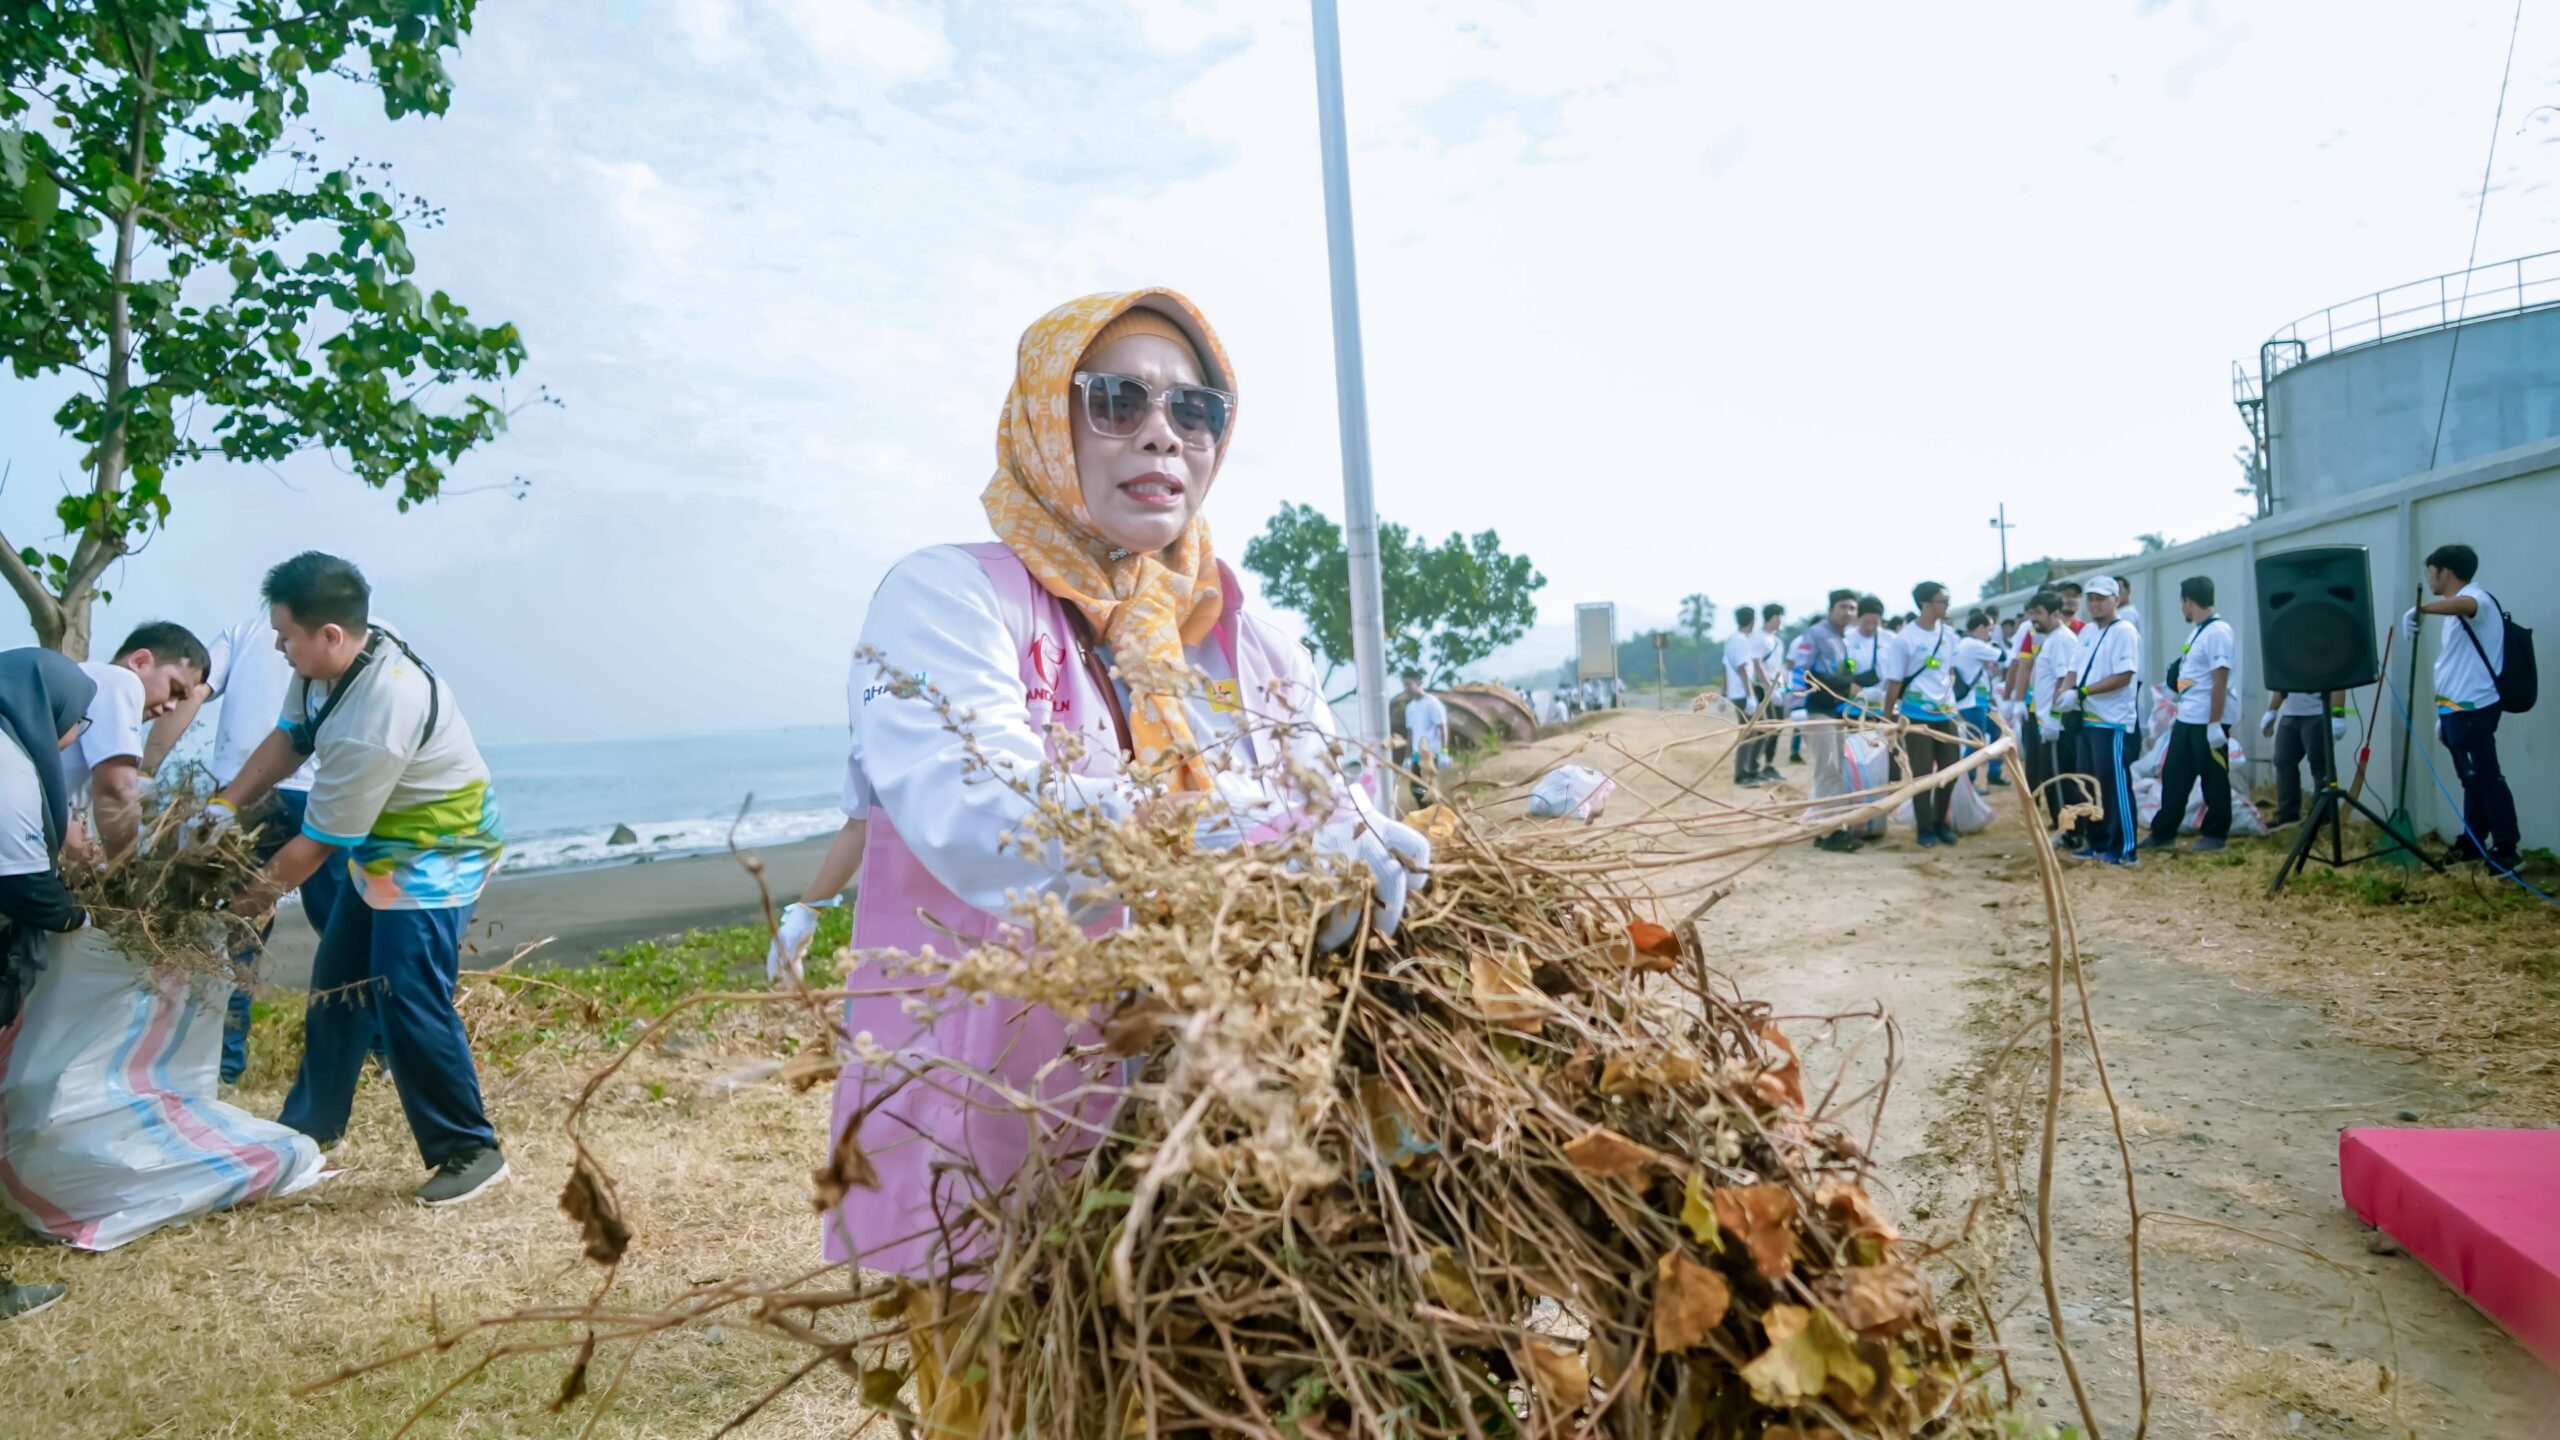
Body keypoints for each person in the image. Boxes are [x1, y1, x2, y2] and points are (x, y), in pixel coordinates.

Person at [825, 291, 1430, 1425]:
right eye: (1116, 401)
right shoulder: (946, 598)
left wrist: (1362, 858)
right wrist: (1274, 833)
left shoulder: (1245, 627)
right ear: (1046, 423)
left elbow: (1330, 799)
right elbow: (982, 815)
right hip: (1000, 1129)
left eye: (1194, 408)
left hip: (1227, 1137)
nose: (1163, 433)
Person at [210, 553, 509, 1206]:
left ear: (331, 635)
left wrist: (243, 905)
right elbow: (292, 738)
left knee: (405, 992)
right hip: (385, 836)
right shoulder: (325, 670)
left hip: (439, 847)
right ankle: (311, 1128)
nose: (280, 649)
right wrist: (223, 804)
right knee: (340, 978)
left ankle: (471, 1151)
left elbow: (315, 845)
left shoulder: (381, 708)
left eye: (286, 638)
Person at [149, 602, 353, 1083]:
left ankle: (222, 1065)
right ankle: (378, 1051)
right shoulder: (341, 633)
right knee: (344, 925)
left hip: (239, 793)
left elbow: (195, 692)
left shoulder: (244, 630)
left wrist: (146, 769)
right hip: (310, 793)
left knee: (233, 932)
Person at [0, 649, 98, 1321]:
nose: (80, 732)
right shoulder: (7, 764)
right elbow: (30, 889)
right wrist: (88, 922)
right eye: (78, 718)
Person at [2404, 543, 2519, 868]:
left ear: (2445, 572)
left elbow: (2466, 604)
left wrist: (2420, 609)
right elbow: (2455, 668)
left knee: (2486, 778)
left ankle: (2507, 850)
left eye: (2430, 573)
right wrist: (2443, 713)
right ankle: (2473, 842)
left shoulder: (2477, 599)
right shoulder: (2455, 613)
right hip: (2456, 709)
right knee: (2471, 779)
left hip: (2474, 709)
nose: (2429, 580)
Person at [62, 622, 207, 861]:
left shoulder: (87, 681)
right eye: (174, 689)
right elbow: (117, 790)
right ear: (139, 662)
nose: (171, 706)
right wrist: (122, 871)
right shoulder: (120, 680)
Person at [2143, 576, 2239, 854]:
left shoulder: (2218, 632)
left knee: (2214, 778)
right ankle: (2164, 833)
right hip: (2187, 717)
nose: (2181, 609)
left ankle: (2216, 834)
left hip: (2207, 719)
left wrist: (2214, 724)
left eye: (2182, 603)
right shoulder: (2199, 631)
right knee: (2175, 776)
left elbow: (2219, 681)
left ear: (2188, 601)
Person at [2062, 576, 2141, 865]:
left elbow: (2124, 676)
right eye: (2090, 599)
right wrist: (2064, 695)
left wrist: (2082, 692)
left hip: (2112, 721)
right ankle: (2097, 842)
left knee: (2114, 785)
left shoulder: (2124, 632)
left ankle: (2125, 848)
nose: (2094, 604)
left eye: (2100, 598)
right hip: (2087, 720)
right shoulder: (2087, 633)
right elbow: (2073, 669)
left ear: (2115, 600)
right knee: (2089, 784)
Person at [1884, 581, 1963, 847]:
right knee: (1922, 775)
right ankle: (1925, 828)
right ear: (1926, 604)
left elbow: (1949, 672)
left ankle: (1942, 823)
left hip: (1947, 714)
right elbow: (1894, 682)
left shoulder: (1949, 635)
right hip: (1916, 715)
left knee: (1950, 771)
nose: (1948, 605)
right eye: (1944, 600)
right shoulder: (1905, 639)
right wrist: (1888, 718)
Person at [1798, 590, 1861, 853]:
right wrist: (1798, 706)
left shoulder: (1841, 638)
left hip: (1836, 712)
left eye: (1852, 608)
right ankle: (1827, 832)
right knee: (1828, 769)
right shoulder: (1816, 635)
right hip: (1819, 712)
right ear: (1831, 609)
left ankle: (1832, 827)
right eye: (1843, 607)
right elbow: (1801, 672)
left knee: (1837, 769)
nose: (1848, 612)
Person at [2021, 592, 2085, 845]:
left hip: (2057, 722)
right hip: (2048, 719)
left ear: (2055, 613)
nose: (2033, 619)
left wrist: (2055, 718)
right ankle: (2068, 829)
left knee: (2060, 781)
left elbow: (2064, 679)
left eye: (2038, 613)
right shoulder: (2051, 639)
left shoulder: (2061, 640)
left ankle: (2071, 833)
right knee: (2053, 778)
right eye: (2031, 613)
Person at [2260, 687, 2347, 828]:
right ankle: (2287, 814)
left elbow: (2338, 683)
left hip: (2317, 713)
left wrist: (2338, 714)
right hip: (2289, 714)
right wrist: (2272, 711)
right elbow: (2280, 682)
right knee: (2283, 762)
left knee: (2321, 767)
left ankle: (2321, 817)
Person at [1952, 609, 2007, 787]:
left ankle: (1993, 772)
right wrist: (1993, 642)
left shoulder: (1965, 644)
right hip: (1972, 702)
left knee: (1997, 731)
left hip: (1979, 700)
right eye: (1989, 630)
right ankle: (1968, 782)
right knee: (1976, 742)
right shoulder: (1972, 645)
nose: (1990, 634)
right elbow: (2002, 655)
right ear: (1981, 627)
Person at [1725, 606, 1774, 785]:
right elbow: (1742, 669)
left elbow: (1726, 667)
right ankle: (1743, 774)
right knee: (1751, 732)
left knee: (1759, 730)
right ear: (1752, 621)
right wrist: (1751, 696)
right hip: (1743, 694)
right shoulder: (1741, 641)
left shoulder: (1732, 640)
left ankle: (1751, 769)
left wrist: (1725, 690)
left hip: (1736, 692)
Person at [1398, 669, 1450, 807]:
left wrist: (1444, 752)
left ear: (1418, 683)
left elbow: (1442, 727)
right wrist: (1407, 758)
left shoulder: (1432, 703)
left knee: (1426, 787)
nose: (1406, 688)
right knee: (1416, 788)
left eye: (1409, 684)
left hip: (1430, 753)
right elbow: (1411, 734)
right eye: (1404, 685)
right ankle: (1426, 814)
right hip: (1416, 755)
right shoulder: (1410, 707)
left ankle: (1433, 814)